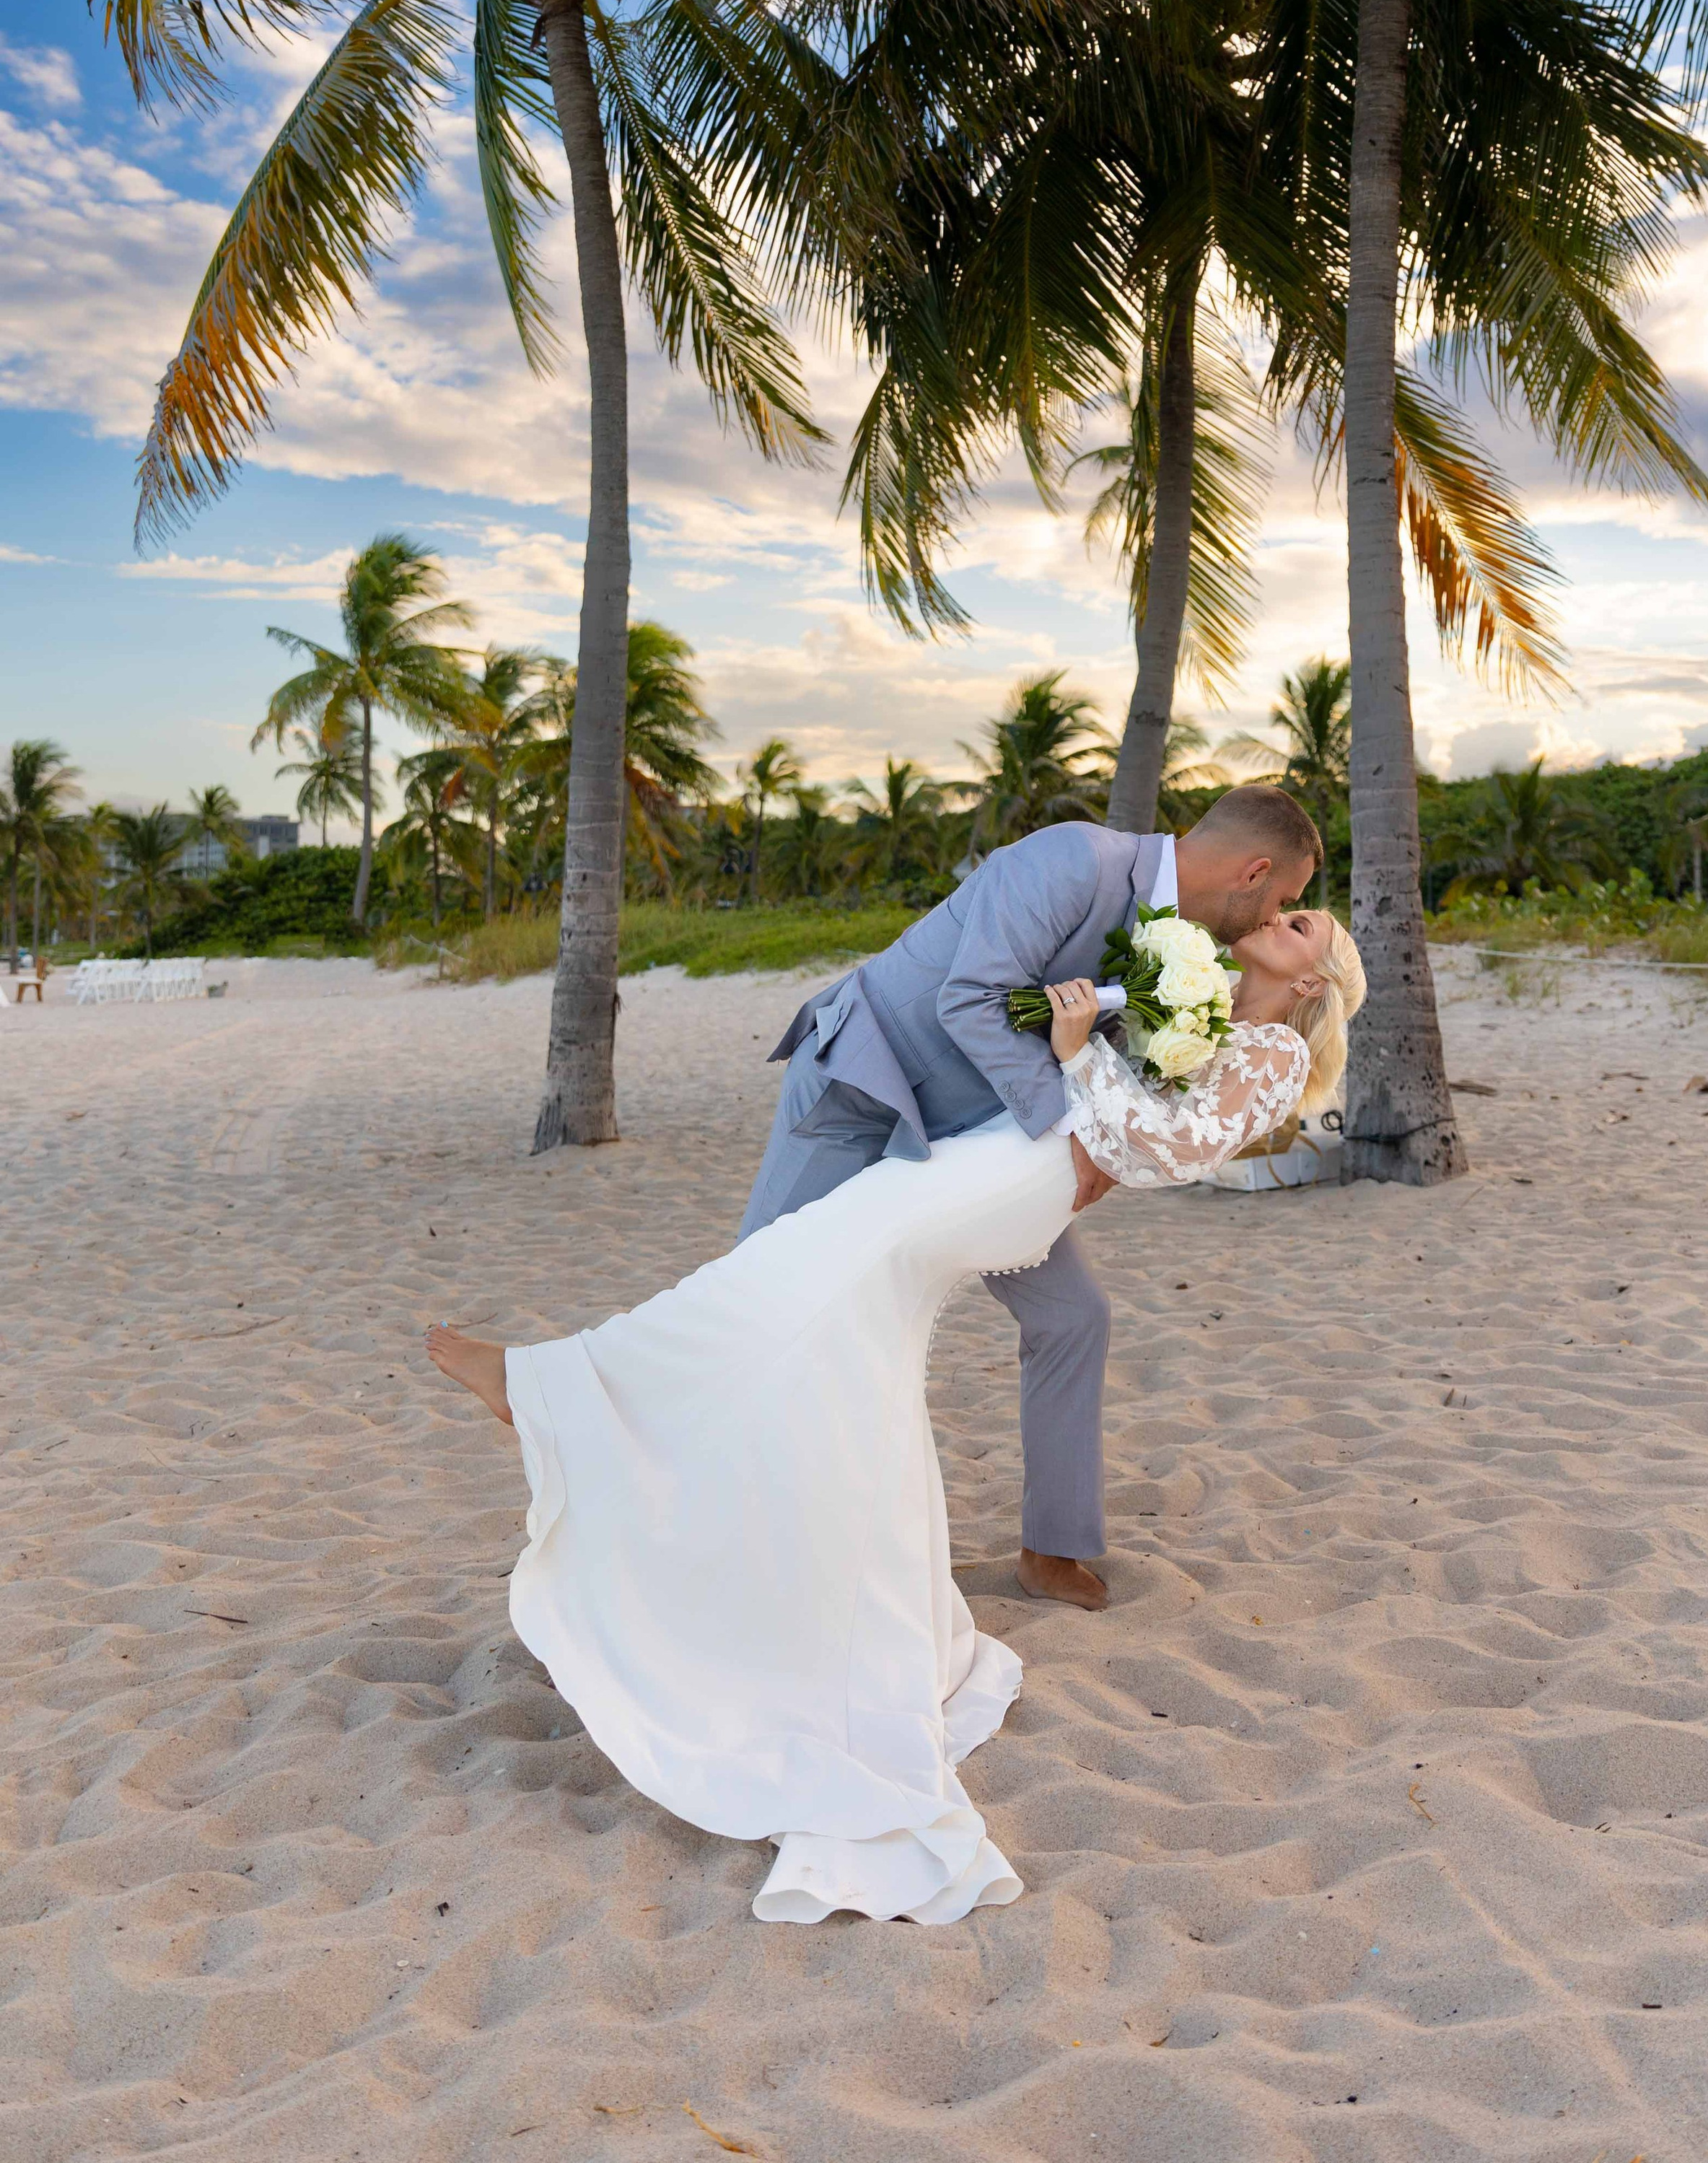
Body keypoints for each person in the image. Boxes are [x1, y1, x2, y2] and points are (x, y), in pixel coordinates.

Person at [425, 905, 1366, 1928]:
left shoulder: (1272, 1052)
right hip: (1014, 1149)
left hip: (1027, 1171)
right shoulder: (1205, 1009)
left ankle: (561, 1390)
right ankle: (654, 1454)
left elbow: (1169, 1148)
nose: (1279, 918)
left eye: (1304, 924)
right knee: (838, 1308)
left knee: (813, 1267)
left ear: (1313, 980)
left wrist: (1073, 1054)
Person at [736, 787, 1323, 1612]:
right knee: (760, 1303)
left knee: (1072, 1317)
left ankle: (1052, 1550)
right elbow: (969, 999)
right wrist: (1069, 1130)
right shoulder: (1074, 859)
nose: (1277, 914)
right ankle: (718, 1527)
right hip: (862, 1089)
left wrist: (1097, 1132)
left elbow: (1129, 1075)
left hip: (981, 1144)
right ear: (1254, 872)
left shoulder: (1187, 953)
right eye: (1286, 901)